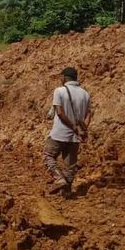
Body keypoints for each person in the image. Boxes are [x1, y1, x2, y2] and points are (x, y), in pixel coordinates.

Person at [44, 67, 91, 195]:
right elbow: (88, 115)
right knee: (70, 165)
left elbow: (59, 112)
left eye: (61, 77)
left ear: (64, 77)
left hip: (59, 133)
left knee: (49, 156)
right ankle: (67, 191)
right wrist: (82, 130)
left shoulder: (59, 91)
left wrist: (73, 127)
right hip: (76, 137)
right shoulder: (85, 94)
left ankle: (59, 179)